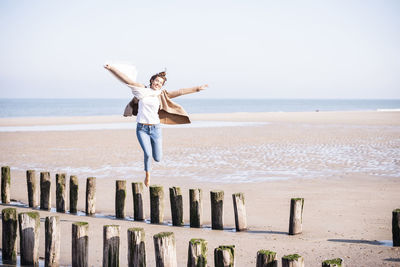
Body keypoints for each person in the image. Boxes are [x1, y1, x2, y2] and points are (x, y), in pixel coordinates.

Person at [105, 63, 207, 187]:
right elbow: (126, 79)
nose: (158, 83)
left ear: (162, 85)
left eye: (160, 82)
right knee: (147, 153)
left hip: (156, 129)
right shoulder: (141, 90)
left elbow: (180, 92)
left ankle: (151, 164)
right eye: (156, 80)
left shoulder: (162, 94)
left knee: (158, 158)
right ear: (152, 80)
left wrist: (197, 89)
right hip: (141, 128)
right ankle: (147, 175)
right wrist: (112, 69)